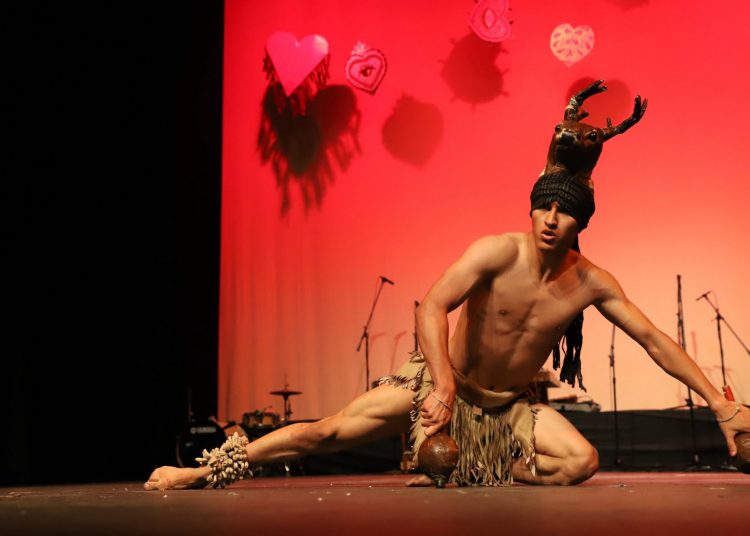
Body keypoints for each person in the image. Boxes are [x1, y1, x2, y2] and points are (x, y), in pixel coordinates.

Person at [145, 170, 749, 490]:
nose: (551, 218)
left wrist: (718, 404)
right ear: (531, 209)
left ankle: (485, 468)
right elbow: (431, 306)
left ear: (580, 224)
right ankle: (203, 471)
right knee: (326, 431)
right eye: (544, 207)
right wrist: (441, 385)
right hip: (440, 386)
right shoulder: (496, 252)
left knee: (580, 463)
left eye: (565, 212)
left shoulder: (592, 281)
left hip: (507, 408)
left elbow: (654, 340)